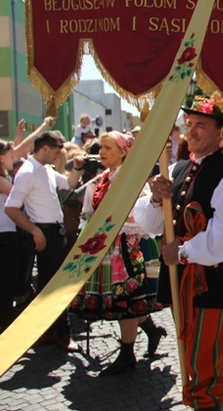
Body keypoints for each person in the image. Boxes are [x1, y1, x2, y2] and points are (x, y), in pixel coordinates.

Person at [134, 96, 223, 410]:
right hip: (181, 278)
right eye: (189, 125)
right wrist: (157, 199)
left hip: (213, 281)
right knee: (198, 354)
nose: (192, 131)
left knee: (204, 367)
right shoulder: (178, 167)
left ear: (219, 132)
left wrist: (182, 252)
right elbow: (150, 223)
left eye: (201, 125)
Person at [69, 131, 166, 376]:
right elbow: (87, 215)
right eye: (101, 147)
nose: (101, 152)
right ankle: (151, 332)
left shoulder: (134, 181)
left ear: (124, 152)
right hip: (107, 248)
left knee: (128, 302)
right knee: (125, 302)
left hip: (130, 248)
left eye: (108, 148)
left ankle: (127, 354)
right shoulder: (100, 180)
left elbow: (142, 217)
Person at [4, 131, 84, 352]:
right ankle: (61, 333)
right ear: (45, 148)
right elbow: (10, 207)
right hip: (45, 233)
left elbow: (68, 183)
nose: (59, 154)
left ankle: (49, 332)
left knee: (51, 286)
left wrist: (77, 168)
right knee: (56, 287)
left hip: (54, 233)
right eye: (57, 150)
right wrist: (34, 230)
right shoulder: (27, 172)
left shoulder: (45, 170)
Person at [0, 141, 19, 333]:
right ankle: (5, 324)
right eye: (11, 156)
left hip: (6, 233)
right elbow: (17, 195)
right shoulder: (1, 180)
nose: (14, 158)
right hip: (3, 235)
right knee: (5, 282)